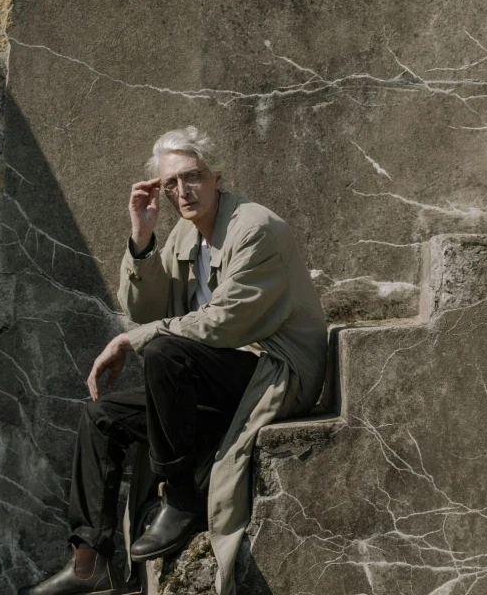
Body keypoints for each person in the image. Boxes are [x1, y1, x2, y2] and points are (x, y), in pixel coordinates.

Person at [19, 127, 327, 595]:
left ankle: (182, 499)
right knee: (101, 416)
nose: (182, 191)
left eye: (193, 177)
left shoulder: (254, 228)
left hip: (273, 371)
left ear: (216, 176)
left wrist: (130, 341)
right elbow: (147, 310)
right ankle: (89, 562)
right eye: (171, 184)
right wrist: (142, 240)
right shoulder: (188, 234)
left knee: (164, 349)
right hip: (213, 375)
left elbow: (224, 325)